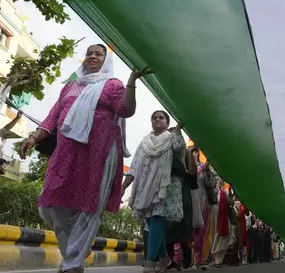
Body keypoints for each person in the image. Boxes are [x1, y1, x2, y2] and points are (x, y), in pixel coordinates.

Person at [19, 44, 148, 273]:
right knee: (50, 205)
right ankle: (78, 248)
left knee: (89, 207)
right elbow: (53, 117)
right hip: (66, 153)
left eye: (98, 53)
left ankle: (72, 263)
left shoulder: (112, 85)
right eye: (89, 53)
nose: (92, 56)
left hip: (99, 154)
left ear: (106, 60)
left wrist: (131, 82)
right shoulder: (71, 86)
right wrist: (33, 137)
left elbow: (125, 109)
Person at [123, 112, 185, 273]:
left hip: (165, 187)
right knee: (151, 223)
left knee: (157, 218)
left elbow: (179, 147)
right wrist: (124, 187)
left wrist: (177, 131)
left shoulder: (172, 138)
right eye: (154, 117)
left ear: (167, 122)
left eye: (161, 117)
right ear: (151, 122)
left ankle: (150, 262)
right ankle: (164, 257)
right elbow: (135, 166)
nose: (157, 119)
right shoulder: (144, 142)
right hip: (145, 187)